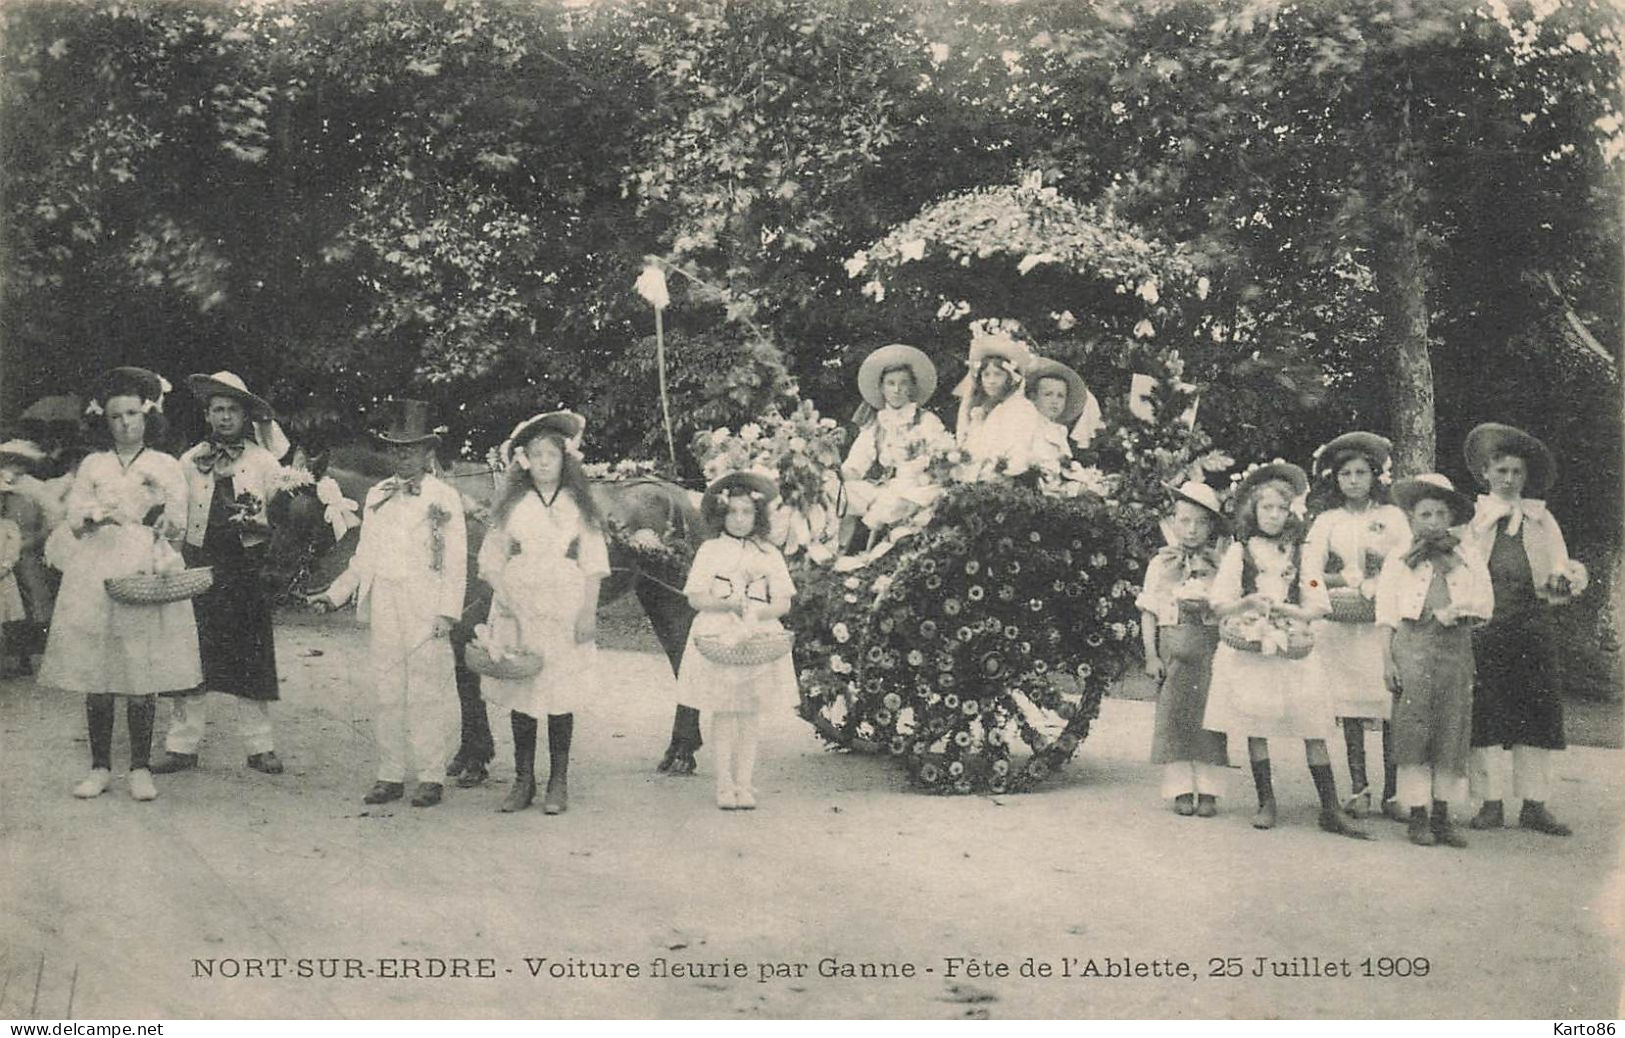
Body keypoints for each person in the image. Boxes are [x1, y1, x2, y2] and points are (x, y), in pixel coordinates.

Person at [38, 367, 201, 801]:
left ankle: (140, 767)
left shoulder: (164, 464)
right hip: (96, 566)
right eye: (116, 417)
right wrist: (94, 516)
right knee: (100, 668)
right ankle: (99, 766)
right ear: (104, 422)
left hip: (144, 564)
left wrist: (167, 521)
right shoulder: (93, 464)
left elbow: (179, 522)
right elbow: (73, 518)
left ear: (148, 417)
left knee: (140, 666)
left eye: (132, 413)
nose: (126, 423)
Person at [310, 400, 466, 808]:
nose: (403, 456)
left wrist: (447, 612)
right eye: (396, 449)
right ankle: (390, 773)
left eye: (411, 448)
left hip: (425, 604)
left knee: (427, 689)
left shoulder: (444, 498)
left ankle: (431, 775)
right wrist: (334, 594)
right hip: (386, 604)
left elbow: (455, 562)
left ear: (428, 452)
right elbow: (364, 557)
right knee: (388, 689)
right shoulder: (378, 495)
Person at [1202, 462, 1367, 838]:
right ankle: (1266, 800)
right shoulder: (1239, 552)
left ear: (1291, 510)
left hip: (1292, 641)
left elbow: (1317, 600)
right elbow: (1220, 602)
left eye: (1281, 509)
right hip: (1251, 642)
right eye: (1267, 509)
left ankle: (1330, 806)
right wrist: (1247, 605)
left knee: (1312, 721)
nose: (1274, 516)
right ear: (1253, 511)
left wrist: (1295, 612)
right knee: (1255, 720)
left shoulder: (1302, 553)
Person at [152, 372, 289, 776]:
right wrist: (170, 554)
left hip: (245, 567)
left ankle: (259, 746)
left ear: (245, 416)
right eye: (217, 410)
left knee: (251, 655)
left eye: (232, 410)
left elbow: (281, 515)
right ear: (207, 414)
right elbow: (176, 513)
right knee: (190, 654)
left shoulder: (264, 462)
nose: (225, 417)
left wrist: (261, 532)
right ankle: (181, 746)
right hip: (199, 562)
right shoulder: (190, 460)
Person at [476, 410, 608, 815]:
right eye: (537, 454)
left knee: (559, 693)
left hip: (564, 606)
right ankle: (523, 780)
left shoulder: (577, 505)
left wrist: (587, 611)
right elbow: (491, 559)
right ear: (524, 461)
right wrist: (506, 597)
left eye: (552, 454)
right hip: (520, 606)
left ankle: (559, 780)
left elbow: (594, 561)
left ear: (564, 459)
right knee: (525, 690)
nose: (545, 462)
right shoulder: (513, 506)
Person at [1460, 423, 1587, 837]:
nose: (1509, 479)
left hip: (1532, 625)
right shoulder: (1475, 519)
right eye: (1502, 471)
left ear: (1525, 476)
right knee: (1486, 712)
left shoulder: (1541, 518)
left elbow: (1561, 565)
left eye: (1517, 472)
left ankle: (1534, 804)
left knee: (1537, 711)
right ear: (1486, 473)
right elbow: (1462, 567)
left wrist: (1564, 578)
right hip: (1485, 626)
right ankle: (1490, 803)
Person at [1376, 473, 1494, 848]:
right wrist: (1387, 662)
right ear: (1411, 517)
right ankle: (1417, 815)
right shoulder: (1399, 556)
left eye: (1439, 514)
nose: (1432, 522)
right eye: (1424, 514)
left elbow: (1486, 603)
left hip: (1455, 649)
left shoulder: (1466, 555)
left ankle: (1443, 816)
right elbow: (1386, 613)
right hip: (1411, 647)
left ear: (1450, 516)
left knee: (1450, 728)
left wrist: (1460, 610)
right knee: (1414, 728)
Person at [1301, 432, 1412, 821]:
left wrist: (1381, 589)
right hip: (1341, 624)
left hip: (1381, 624)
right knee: (1349, 707)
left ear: (1376, 476)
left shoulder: (1392, 518)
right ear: (1336, 479)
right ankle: (1358, 788)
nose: (1353, 480)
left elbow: (1407, 563)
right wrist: (1326, 592)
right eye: (1345, 473)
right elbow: (1309, 572)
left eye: (1361, 472)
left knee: (1387, 707)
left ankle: (1394, 793)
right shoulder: (1327, 521)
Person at [674, 472, 798, 810]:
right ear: (721, 515)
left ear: (758, 517)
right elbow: (696, 598)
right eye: (733, 512)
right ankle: (724, 784)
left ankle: (745, 784)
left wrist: (758, 614)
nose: (740, 519)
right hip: (719, 631)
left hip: (758, 632)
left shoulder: (769, 553)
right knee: (726, 712)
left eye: (747, 513)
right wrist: (727, 604)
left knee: (750, 714)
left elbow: (784, 602)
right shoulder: (711, 550)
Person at [1136, 480, 1228, 817]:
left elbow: (1228, 607)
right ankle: (1179, 788)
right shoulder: (1161, 564)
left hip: (1209, 648)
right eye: (1184, 520)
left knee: (1210, 718)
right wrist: (1151, 655)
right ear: (1172, 521)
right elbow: (1148, 610)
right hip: (1172, 647)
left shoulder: (1220, 565)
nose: (1191, 530)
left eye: (1201, 522)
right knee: (1174, 717)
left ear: (1212, 527)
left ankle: (1208, 788)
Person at [839, 344, 946, 550]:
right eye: (891, 383)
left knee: (900, 503)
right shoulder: (877, 423)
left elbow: (941, 456)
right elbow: (856, 462)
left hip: (917, 486)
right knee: (845, 494)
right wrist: (844, 475)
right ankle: (840, 550)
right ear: (881, 388)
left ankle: (892, 551)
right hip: (885, 486)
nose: (897, 389)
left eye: (904, 383)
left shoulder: (926, 420)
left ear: (912, 388)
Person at [953, 327, 1048, 481]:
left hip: (1006, 476)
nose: (991, 381)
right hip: (977, 475)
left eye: (998, 375)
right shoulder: (983, 409)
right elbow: (968, 444)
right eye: (986, 375)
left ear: (1010, 378)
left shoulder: (1021, 408)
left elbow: (1017, 448)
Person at [0, 440, 54, 675]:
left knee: (29, 603)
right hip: (4, 546)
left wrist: (30, 542)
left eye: (19, 460)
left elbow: (50, 521)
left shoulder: (36, 488)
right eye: (9, 459)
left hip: (27, 551)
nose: (14, 465)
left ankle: (25, 655)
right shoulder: (3, 483)